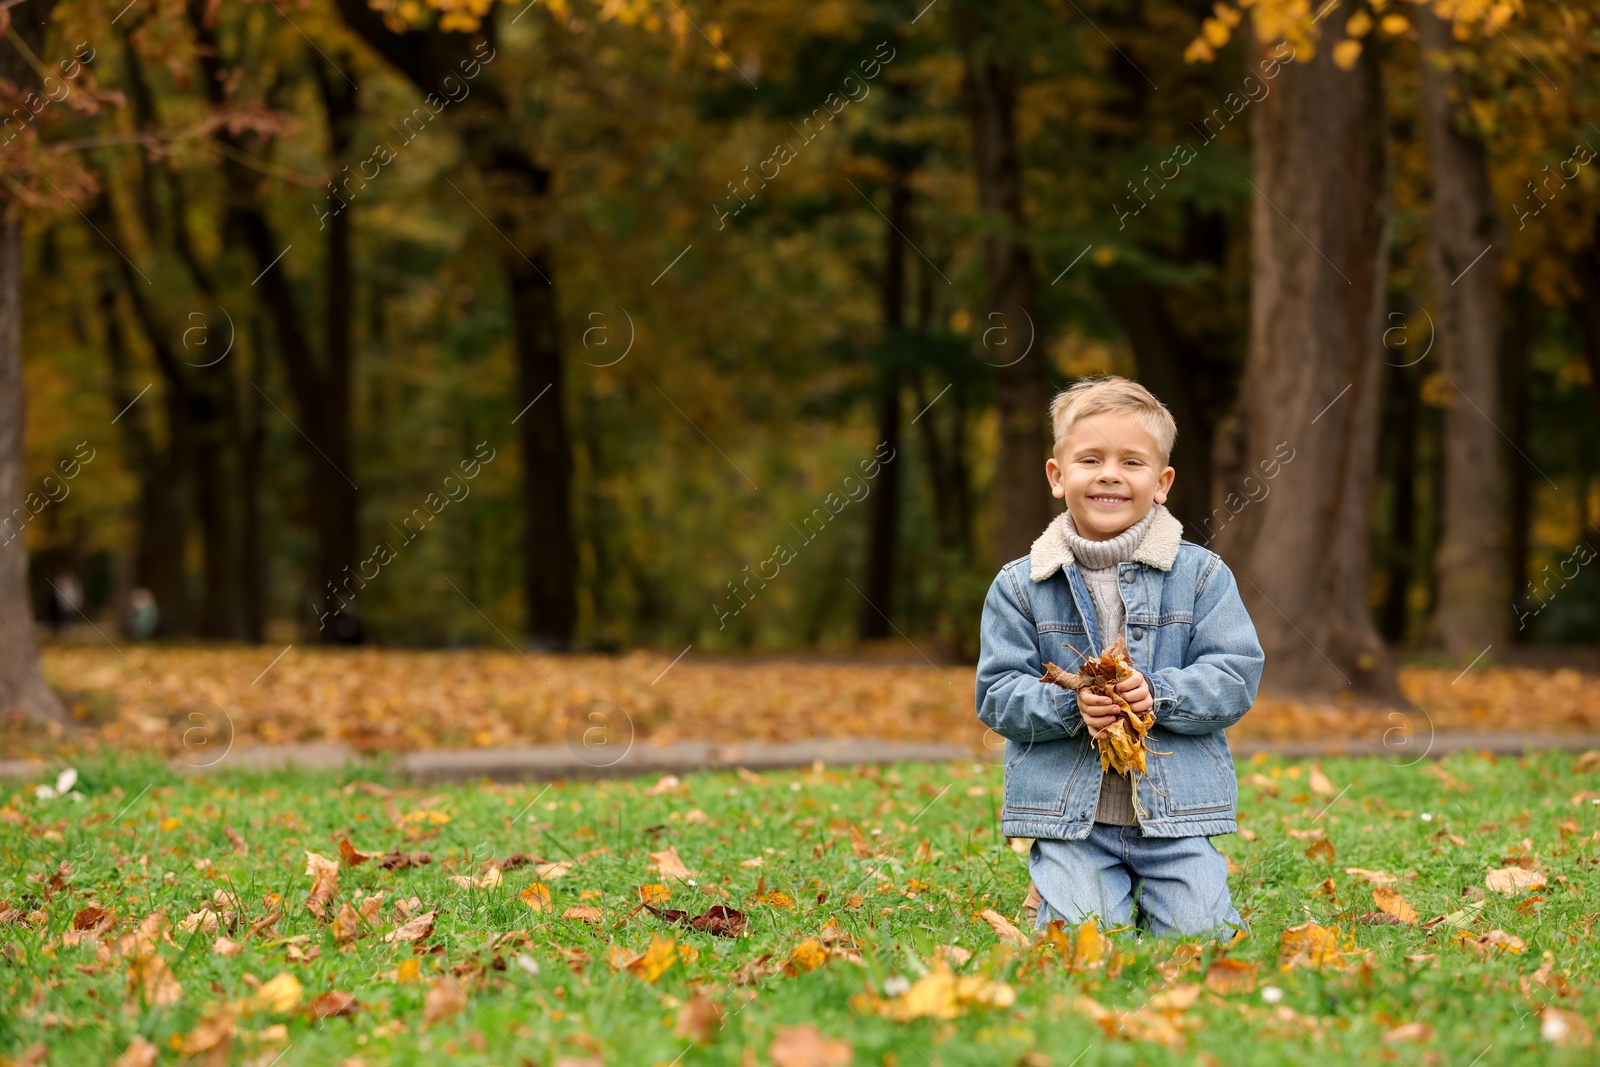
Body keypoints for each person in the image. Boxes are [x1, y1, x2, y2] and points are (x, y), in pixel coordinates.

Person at [975, 376, 1264, 940]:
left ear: (1161, 483)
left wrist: (1158, 692)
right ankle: (1059, 884)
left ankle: (1160, 891)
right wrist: (1068, 707)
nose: (1110, 473)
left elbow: (1234, 676)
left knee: (1201, 942)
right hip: (1072, 823)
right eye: (1090, 458)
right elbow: (996, 693)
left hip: (1174, 820)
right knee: (1088, 942)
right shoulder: (1020, 585)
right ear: (1058, 477)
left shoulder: (1201, 575)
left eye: (1131, 462)